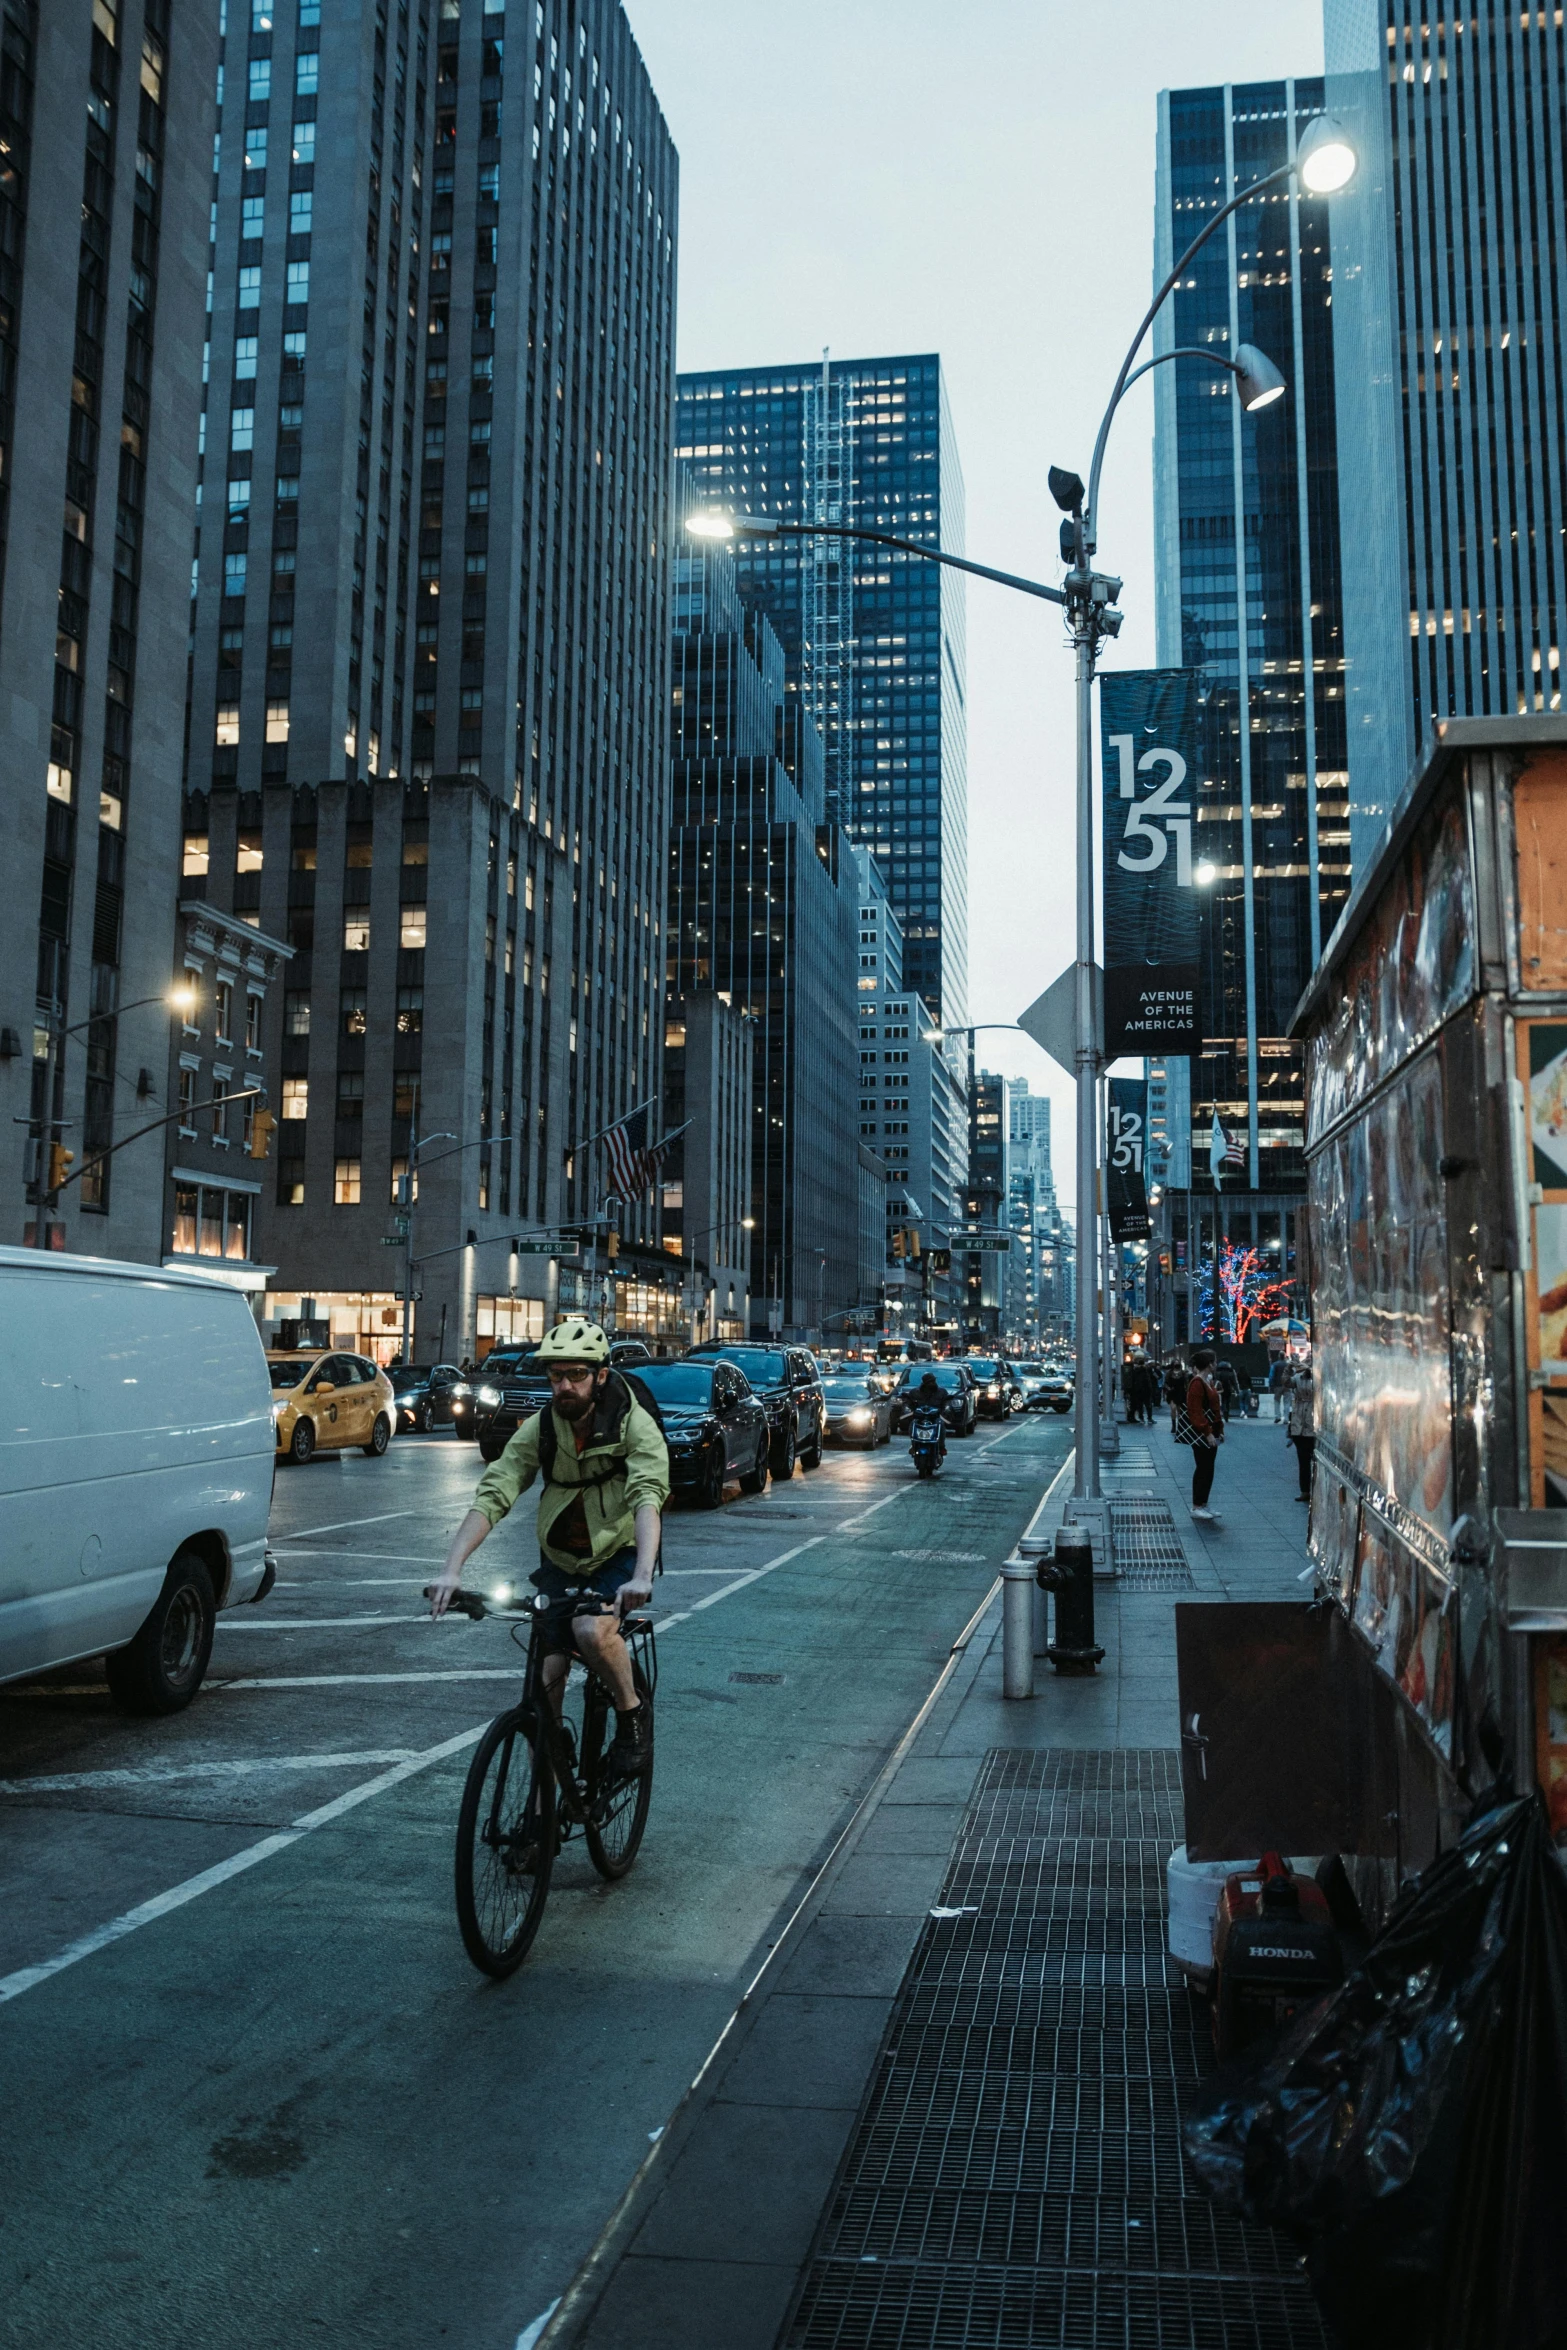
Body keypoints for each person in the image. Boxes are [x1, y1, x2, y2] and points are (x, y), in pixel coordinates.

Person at [429, 1319, 668, 1777]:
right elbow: (496, 1492)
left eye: (576, 1375)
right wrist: (452, 1568)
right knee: (544, 1688)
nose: (564, 1385)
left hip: (618, 1553)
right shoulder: (542, 1426)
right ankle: (539, 1822)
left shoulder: (632, 1423)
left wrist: (641, 1575)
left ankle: (632, 1715)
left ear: (600, 1376)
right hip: (560, 1558)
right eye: (556, 1375)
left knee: (590, 1632)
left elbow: (647, 1496)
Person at [1185, 1347, 1225, 1524]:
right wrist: (1207, 1432)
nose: (1216, 1364)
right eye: (1214, 1362)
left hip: (1211, 1429)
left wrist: (1219, 1430)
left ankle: (1203, 1503)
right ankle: (1197, 1506)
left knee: (1208, 1468)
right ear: (1209, 1364)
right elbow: (1195, 1411)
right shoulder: (1197, 1383)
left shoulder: (1206, 1381)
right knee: (1203, 1467)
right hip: (1203, 1432)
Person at [1287, 1357, 1316, 1503]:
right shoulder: (1298, 1378)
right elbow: (1286, 1382)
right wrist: (1288, 1368)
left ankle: (1315, 1490)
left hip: (1313, 1425)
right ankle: (1305, 1490)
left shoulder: (1320, 1379)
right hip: (1299, 1425)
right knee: (1303, 1461)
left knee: (1314, 1462)